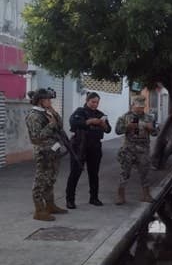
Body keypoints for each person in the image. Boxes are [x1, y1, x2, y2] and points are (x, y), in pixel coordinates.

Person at [25, 88, 68, 221]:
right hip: (43, 152)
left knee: (51, 179)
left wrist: (53, 113)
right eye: (48, 99)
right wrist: (51, 125)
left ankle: (50, 205)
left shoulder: (46, 113)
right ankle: (39, 210)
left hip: (53, 151)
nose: (50, 101)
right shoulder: (33, 115)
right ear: (41, 101)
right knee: (40, 180)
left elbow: (60, 126)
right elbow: (37, 136)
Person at [65, 92, 112, 209]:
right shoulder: (80, 111)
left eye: (97, 102)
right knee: (75, 173)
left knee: (94, 173)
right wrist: (90, 121)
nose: (95, 104)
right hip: (79, 146)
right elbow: (73, 122)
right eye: (93, 102)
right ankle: (70, 200)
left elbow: (108, 130)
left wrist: (103, 124)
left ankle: (94, 198)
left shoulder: (100, 114)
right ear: (87, 101)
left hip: (95, 147)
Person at [114, 95, 159, 205]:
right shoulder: (124, 117)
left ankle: (146, 195)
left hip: (143, 150)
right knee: (125, 172)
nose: (140, 109)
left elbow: (155, 133)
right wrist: (127, 127)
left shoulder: (149, 118)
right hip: (129, 148)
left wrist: (151, 128)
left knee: (145, 172)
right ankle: (120, 196)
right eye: (138, 107)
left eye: (142, 107)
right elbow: (117, 131)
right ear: (133, 105)